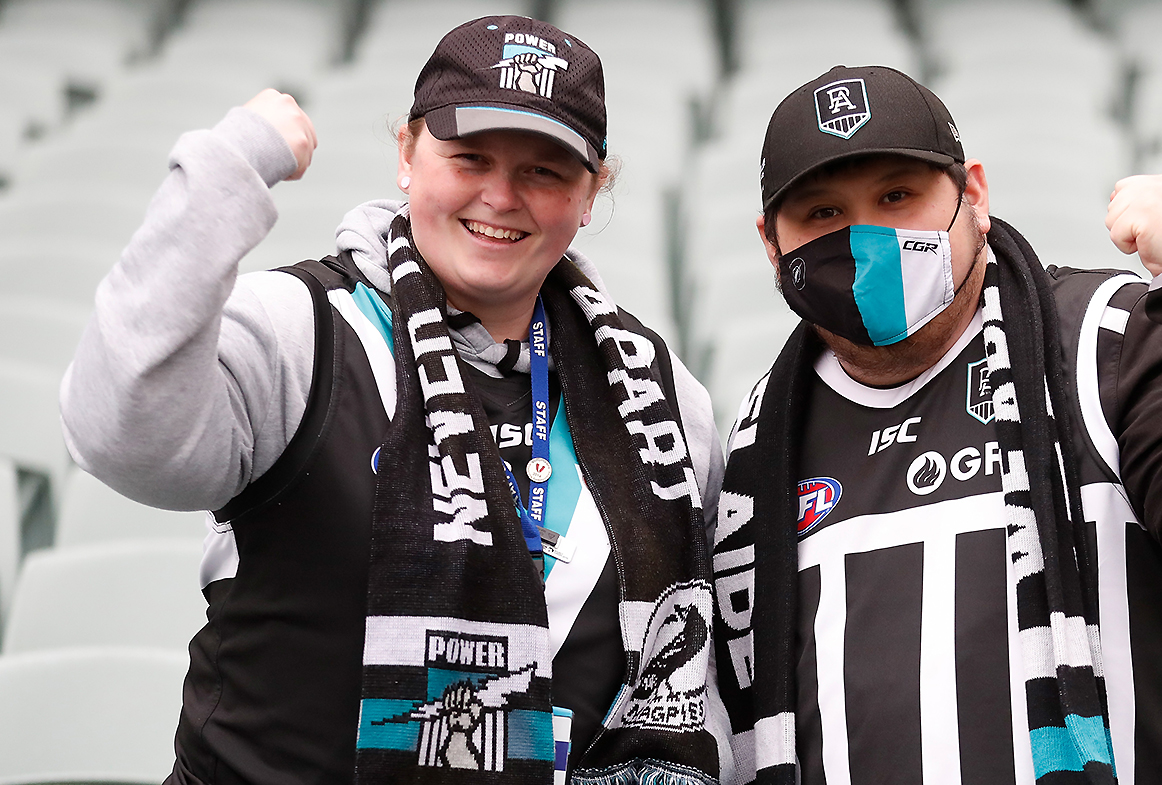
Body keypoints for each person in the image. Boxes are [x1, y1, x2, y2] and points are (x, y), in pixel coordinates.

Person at [60, 16, 733, 785]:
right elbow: (117, 433)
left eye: (546, 171)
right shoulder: (305, 329)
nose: (501, 196)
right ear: (408, 154)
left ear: (591, 194)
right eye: (470, 156)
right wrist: (227, 169)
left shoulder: (656, 395)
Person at [710, 65, 1162, 785]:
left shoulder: (1106, 341)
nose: (865, 240)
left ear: (972, 193)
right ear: (770, 242)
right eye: (822, 215)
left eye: (897, 196)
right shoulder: (765, 432)